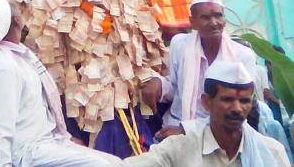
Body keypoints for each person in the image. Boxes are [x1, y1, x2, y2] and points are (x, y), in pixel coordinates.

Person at [0, 0, 121, 167]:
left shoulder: (12, 53)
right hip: (24, 154)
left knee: (115, 162)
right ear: (17, 21)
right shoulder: (4, 67)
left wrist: (62, 139)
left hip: (44, 143)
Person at [121, 62, 291, 167]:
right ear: (207, 102)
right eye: (227, 100)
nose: (237, 108)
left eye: (245, 101)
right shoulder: (179, 149)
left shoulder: (271, 152)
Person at [141, 0, 257, 138]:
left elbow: (241, 108)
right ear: (192, 22)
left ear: (225, 20)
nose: (214, 23)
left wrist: (188, 130)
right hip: (175, 126)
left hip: (222, 133)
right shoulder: (180, 45)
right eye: (205, 18)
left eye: (218, 16)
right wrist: (159, 83)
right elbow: (176, 87)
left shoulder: (243, 56)